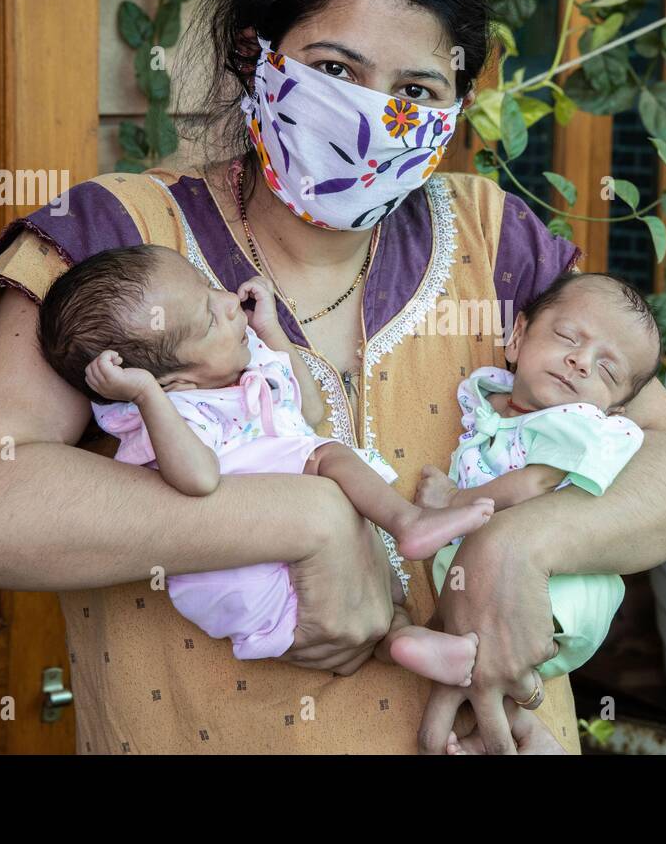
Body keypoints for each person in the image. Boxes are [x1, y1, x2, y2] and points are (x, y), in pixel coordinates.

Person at [0, 0, 666, 754]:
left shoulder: (495, 242)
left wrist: (525, 539)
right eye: (335, 70)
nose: (373, 118)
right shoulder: (122, 242)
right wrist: (305, 519)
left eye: (417, 88)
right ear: (254, 51)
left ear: (454, 104)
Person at [37, 244, 488, 684]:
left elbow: (310, 408)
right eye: (210, 318)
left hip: (296, 566)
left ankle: (405, 643)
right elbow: (199, 479)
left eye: (208, 286)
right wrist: (147, 396)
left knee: (385, 596)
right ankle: (408, 522)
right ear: (175, 380)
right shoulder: (176, 413)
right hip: (253, 578)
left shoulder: (239, 369)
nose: (229, 302)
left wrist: (271, 330)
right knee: (327, 456)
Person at [419, 271, 662, 685]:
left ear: (613, 411)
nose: (581, 362)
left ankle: (455, 653)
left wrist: (453, 500)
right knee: (482, 669)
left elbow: (535, 484)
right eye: (568, 337)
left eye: (607, 370)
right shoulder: (491, 402)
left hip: (561, 595)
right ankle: (456, 661)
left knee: (491, 643)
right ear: (517, 337)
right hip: (491, 581)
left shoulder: (574, 423)